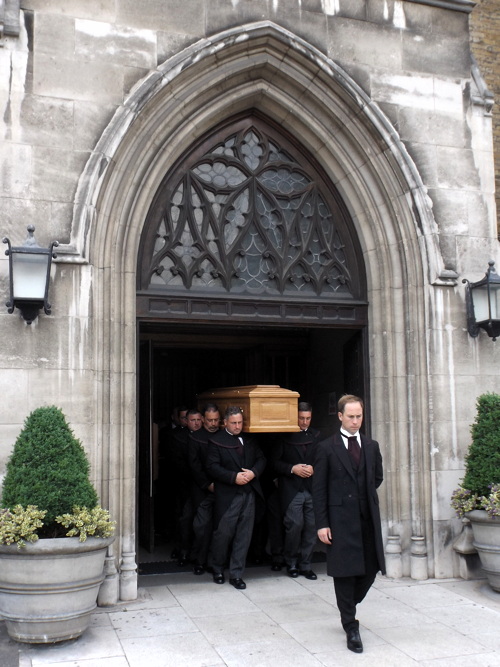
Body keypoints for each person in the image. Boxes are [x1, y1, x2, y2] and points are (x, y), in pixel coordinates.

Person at [313, 394, 385, 654]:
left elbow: (377, 477)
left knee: (371, 568)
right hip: (339, 521)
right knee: (344, 573)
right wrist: (322, 523)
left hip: (366, 519)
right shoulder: (325, 448)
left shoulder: (371, 445)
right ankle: (350, 625)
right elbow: (318, 489)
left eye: (359, 416)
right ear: (340, 416)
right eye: (351, 416)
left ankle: (348, 605)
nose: (356, 421)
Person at [206, 406, 266, 589]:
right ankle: (217, 568)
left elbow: (262, 459)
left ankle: (236, 574)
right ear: (225, 423)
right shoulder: (216, 441)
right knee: (223, 533)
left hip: (249, 493)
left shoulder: (249, 439)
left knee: (244, 535)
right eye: (234, 423)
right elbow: (212, 466)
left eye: (240, 422)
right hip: (228, 494)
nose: (237, 426)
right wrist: (234, 477)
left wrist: (253, 473)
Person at [273, 401, 320, 579]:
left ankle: (306, 564)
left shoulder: (316, 435)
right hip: (292, 488)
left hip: (311, 488)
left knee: (311, 527)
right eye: (301, 418)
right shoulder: (284, 436)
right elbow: (275, 462)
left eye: (308, 418)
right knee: (294, 525)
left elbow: (322, 459)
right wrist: (293, 468)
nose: (305, 422)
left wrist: (314, 468)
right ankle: (291, 562)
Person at [188, 403, 220, 575]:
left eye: (216, 420)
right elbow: (194, 465)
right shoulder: (196, 437)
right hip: (202, 489)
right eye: (209, 420)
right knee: (201, 526)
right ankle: (199, 560)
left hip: (222, 488)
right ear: (204, 419)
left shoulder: (223, 436)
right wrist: (207, 484)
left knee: (220, 528)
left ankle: (214, 562)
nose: (213, 424)